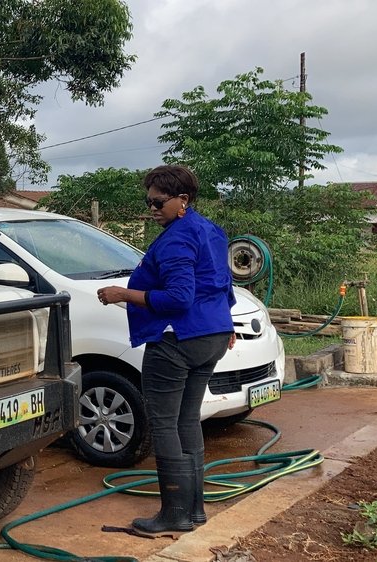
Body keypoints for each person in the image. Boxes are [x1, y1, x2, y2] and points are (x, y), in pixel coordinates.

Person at [96, 164, 236, 535]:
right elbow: (222, 284)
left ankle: (173, 513)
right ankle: (194, 510)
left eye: (158, 203)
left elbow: (178, 297)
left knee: (164, 425)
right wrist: (225, 325)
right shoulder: (210, 230)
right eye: (149, 202)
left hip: (177, 341)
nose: (152, 209)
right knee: (187, 420)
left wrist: (122, 294)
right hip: (211, 337)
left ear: (182, 201)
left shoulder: (176, 239)